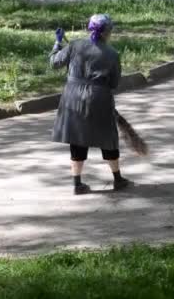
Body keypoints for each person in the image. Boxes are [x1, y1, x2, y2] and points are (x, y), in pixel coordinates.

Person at [50, 14, 130, 195]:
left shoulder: (74, 45)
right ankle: (118, 179)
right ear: (108, 32)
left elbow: (54, 63)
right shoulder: (112, 54)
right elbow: (114, 83)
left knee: (78, 138)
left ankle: (77, 184)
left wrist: (57, 43)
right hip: (99, 98)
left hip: (72, 97)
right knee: (108, 137)